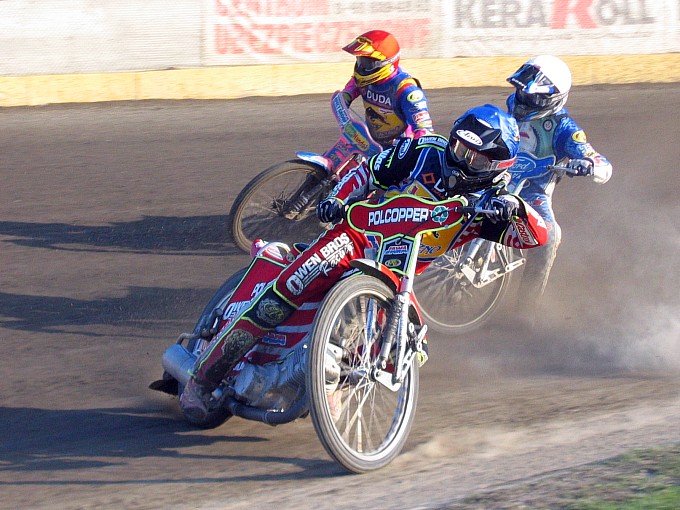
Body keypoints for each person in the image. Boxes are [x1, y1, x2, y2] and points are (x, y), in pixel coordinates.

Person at [180, 104, 549, 425]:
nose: (461, 160)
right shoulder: (423, 150)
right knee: (285, 292)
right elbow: (369, 171)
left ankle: (335, 386)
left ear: (497, 165)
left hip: (400, 273)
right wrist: (338, 198)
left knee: (406, 344)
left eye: (475, 158)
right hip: (355, 237)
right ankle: (203, 378)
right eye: (459, 148)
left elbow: (535, 237)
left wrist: (517, 209)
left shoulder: (494, 202)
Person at [506, 55, 612, 311]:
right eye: (522, 93)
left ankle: (525, 310)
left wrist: (588, 165)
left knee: (550, 235)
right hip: (494, 178)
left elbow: (602, 163)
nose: (524, 100)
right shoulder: (511, 104)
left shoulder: (564, 128)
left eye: (532, 97)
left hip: (532, 194)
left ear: (551, 99)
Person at [340, 29, 434, 148]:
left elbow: (424, 131)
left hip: (400, 148)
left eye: (367, 63)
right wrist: (346, 96)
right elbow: (353, 85)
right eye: (360, 61)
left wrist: (415, 151)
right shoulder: (364, 79)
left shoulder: (407, 90)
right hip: (371, 142)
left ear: (385, 63)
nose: (362, 67)